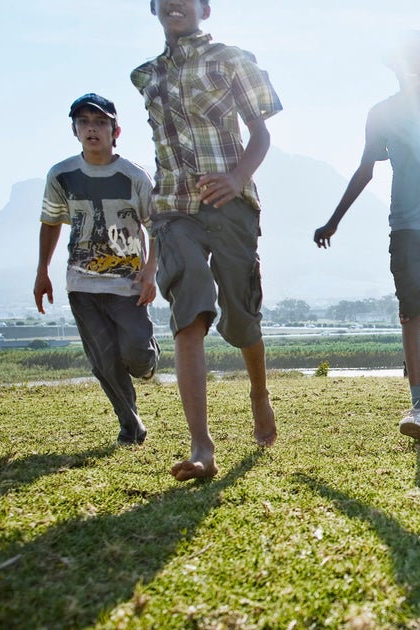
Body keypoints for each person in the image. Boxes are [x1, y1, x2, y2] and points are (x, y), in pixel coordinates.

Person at [314, 30, 420, 441]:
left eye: (418, 59)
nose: (410, 65)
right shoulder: (381, 114)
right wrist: (335, 219)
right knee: (411, 311)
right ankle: (419, 406)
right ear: (393, 66)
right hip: (406, 226)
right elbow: (365, 168)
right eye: (403, 59)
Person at [132, 0, 281, 480]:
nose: (176, 3)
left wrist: (238, 178)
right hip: (174, 208)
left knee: (240, 315)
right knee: (189, 309)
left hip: (229, 203)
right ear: (154, 8)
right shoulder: (146, 77)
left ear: (205, 9)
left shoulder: (231, 60)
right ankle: (202, 447)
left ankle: (259, 392)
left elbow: (260, 135)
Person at [34, 93, 160, 446]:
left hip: (128, 285)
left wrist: (150, 272)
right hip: (82, 285)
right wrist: (42, 271)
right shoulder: (61, 175)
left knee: (135, 355)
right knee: (104, 361)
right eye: (84, 122)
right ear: (75, 130)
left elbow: (157, 226)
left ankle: (148, 360)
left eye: (100, 122)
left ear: (115, 130)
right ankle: (131, 427)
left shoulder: (134, 176)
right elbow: (50, 222)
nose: (92, 128)